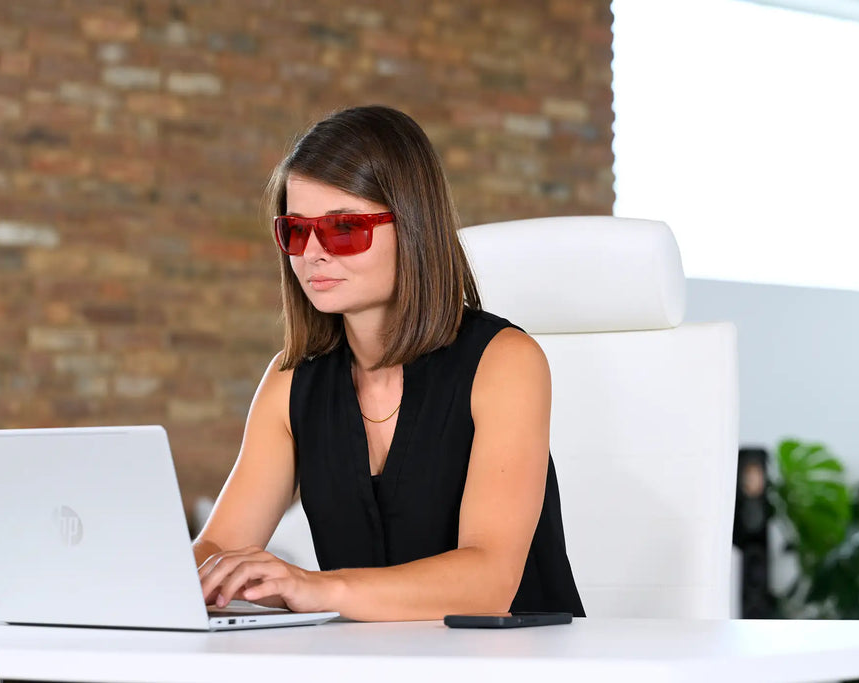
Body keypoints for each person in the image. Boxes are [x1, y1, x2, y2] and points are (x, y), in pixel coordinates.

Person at [192, 105, 584, 621]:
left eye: (345, 229)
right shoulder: (292, 380)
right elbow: (220, 547)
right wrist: (145, 579)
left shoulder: (505, 362)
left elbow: (488, 582)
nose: (313, 253)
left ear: (413, 227)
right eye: (295, 230)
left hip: (516, 668)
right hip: (372, 668)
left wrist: (316, 589)